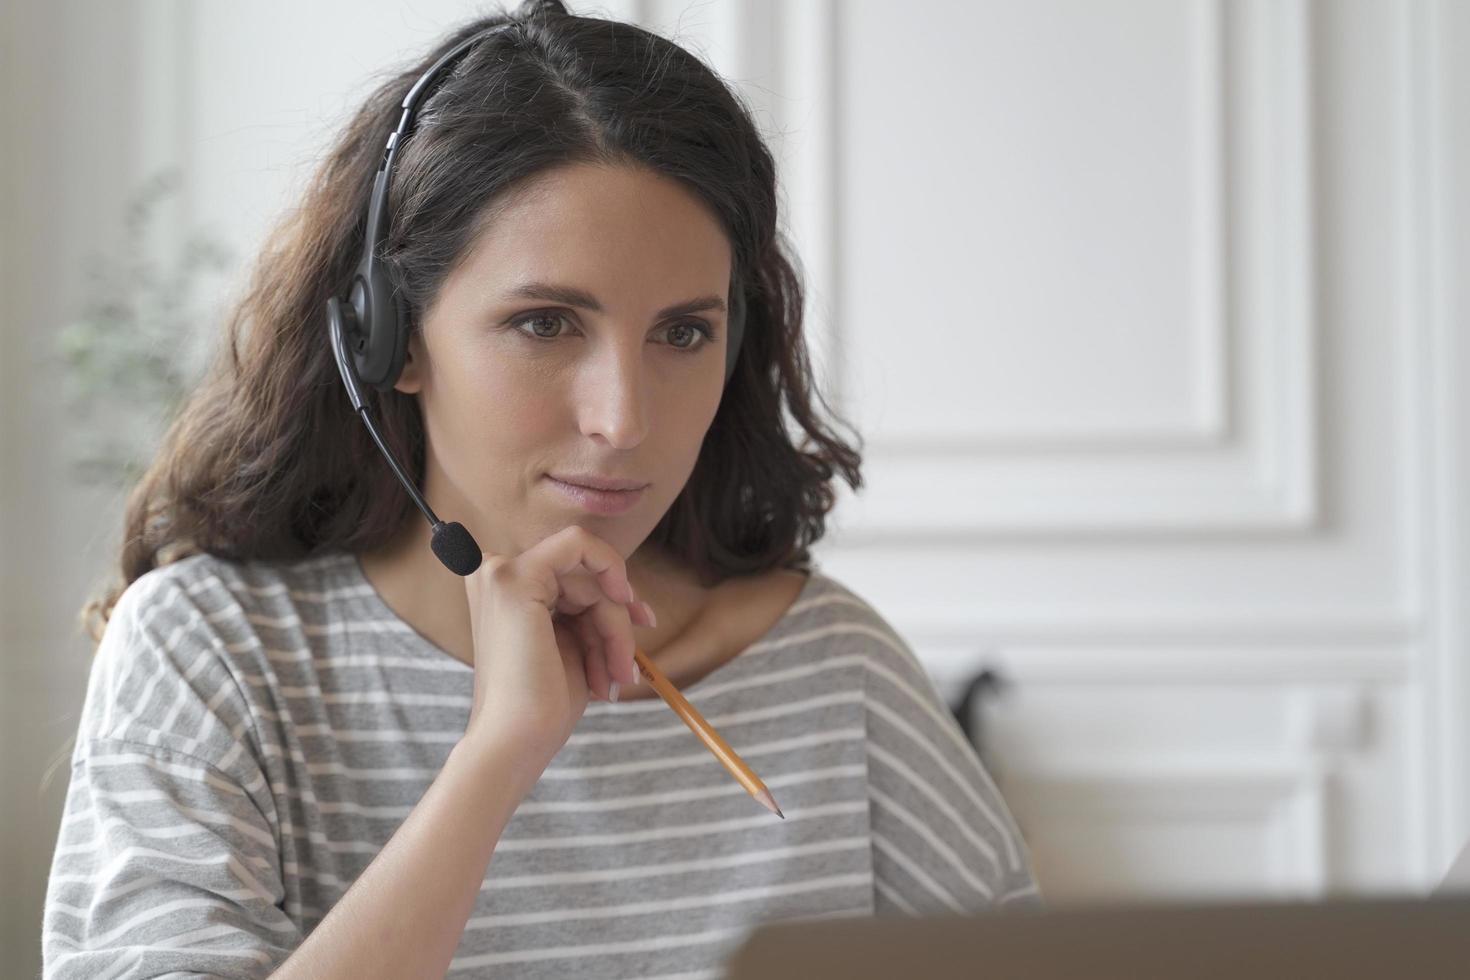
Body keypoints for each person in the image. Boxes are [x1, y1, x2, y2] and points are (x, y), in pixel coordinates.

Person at [40, 1, 1042, 977]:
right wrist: (498, 756)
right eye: (547, 323)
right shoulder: (211, 651)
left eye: (684, 332)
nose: (624, 418)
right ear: (389, 339)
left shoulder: (833, 669)